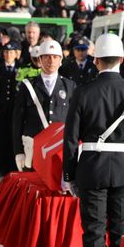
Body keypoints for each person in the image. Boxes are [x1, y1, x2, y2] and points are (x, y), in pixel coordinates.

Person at [63, 34, 124, 247]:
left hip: (91, 167)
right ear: (122, 59)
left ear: (96, 60)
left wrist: (69, 174)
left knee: (93, 233)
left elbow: (70, 138)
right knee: (122, 233)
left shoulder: (83, 91)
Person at [11, 39, 75, 171]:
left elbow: (75, 120)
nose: (51, 61)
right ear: (40, 59)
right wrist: (18, 151)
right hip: (33, 149)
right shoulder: (27, 85)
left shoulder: (70, 86)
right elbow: (18, 120)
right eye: (47, 57)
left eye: (55, 57)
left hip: (60, 149)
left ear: (61, 60)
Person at [0, 41, 20, 174]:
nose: (8, 55)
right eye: (6, 52)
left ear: (16, 54)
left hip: (15, 108)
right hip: (1, 107)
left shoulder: (20, 68)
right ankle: (1, 167)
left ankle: (12, 166)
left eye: (11, 52)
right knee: (1, 137)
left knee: (13, 137)